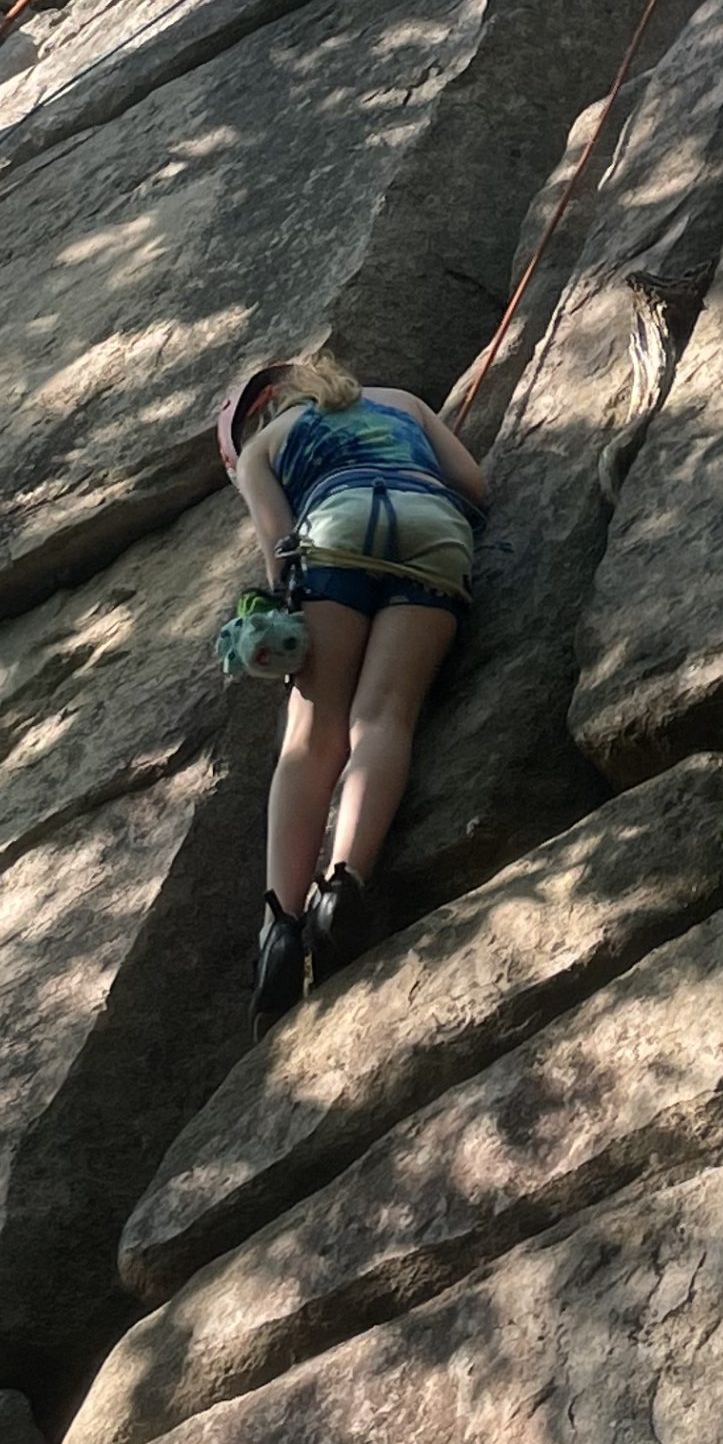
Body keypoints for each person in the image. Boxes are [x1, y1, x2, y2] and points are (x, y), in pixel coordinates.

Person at [216, 350, 488, 1031]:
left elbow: (279, 545)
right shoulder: (403, 401)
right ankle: (343, 885)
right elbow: (474, 487)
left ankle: (281, 926)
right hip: (432, 529)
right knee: (384, 718)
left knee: (313, 733)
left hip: (334, 532)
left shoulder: (263, 449)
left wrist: (274, 620)